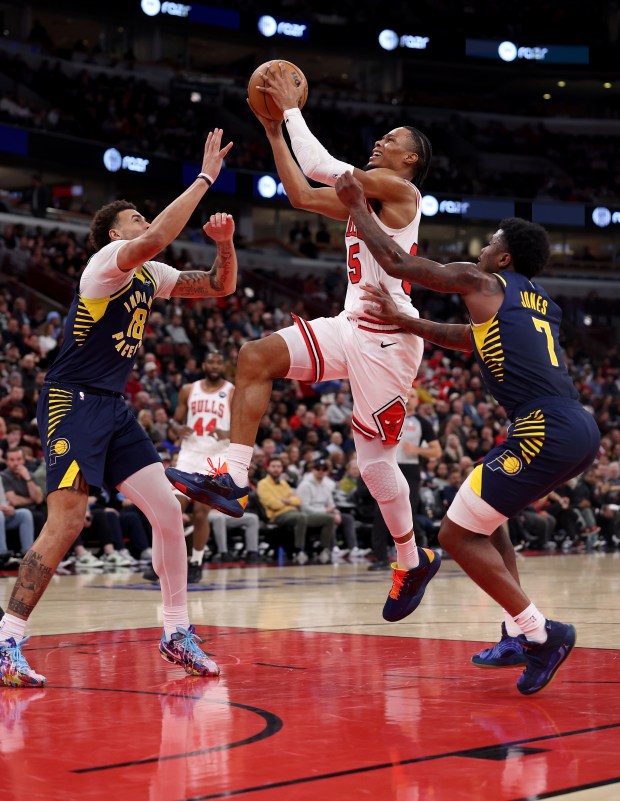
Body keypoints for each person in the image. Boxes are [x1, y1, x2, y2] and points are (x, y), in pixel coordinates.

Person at [168, 63, 440, 620]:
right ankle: (235, 475)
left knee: (374, 465)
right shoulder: (367, 197)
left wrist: (291, 105)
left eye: (391, 141)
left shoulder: (402, 191)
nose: (379, 143)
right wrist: (272, 132)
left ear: (410, 160)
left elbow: (318, 166)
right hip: (350, 323)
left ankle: (411, 558)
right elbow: (297, 191)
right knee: (255, 355)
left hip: (389, 338)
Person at [334, 171, 601, 695]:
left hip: (543, 425)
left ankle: (542, 634)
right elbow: (467, 338)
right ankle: (515, 632)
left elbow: (401, 264)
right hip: (574, 426)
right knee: (486, 517)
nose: (484, 248)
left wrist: (356, 209)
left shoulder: (486, 282)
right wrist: (406, 323)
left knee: (455, 536)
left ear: (503, 259)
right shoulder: (537, 301)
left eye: (492, 242)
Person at [0, 129, 237, 688]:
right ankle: (7, 637)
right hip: (72, 400)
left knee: (168, 514)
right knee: (69, 519)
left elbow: (219, 287)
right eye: (134, 218)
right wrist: (204, 179)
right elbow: (155, 237)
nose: (143, 222)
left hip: (113, 407)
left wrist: (225, 243)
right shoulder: (108, 263)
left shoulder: (150, 277)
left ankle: (176, 633)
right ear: (114, 232)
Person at [144, 351, 234, 584]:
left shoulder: (232, 391)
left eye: (218, 361)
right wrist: (177, 427)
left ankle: (196, 561)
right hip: (190, 453)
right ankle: (161, 560)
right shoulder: (188, 389)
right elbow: (175, 421)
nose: (214, 365)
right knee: (173, 507)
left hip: (217, 457)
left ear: (222, 366)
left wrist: (229, 432)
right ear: (204, 364)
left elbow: (245, 425)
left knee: (201, 511)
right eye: (210, 361)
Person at [369, 387, 442, 570]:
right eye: (407, 395)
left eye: (413, 396)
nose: (409, 398)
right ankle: (381, 558)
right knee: (381, 513)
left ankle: (418, 553)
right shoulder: (388, 416)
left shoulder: (422, 423)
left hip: (410, 470)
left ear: (418, 401)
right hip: (388, 466)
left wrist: (416, 450)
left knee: (407, 513)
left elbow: (436, 451)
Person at [256, 456, 333, 564]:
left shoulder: (284, 483)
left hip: (295, 513)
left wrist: (285, 500)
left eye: (278, 466)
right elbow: (272, 504)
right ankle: (299, 551)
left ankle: (322, 549)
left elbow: (298, 500)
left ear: (282, 469)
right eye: (273, 466)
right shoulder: (262, 484)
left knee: (329, 519)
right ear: (268, 468)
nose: (276, 469)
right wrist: (288, 500)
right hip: (278, 515)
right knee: (301, 517)